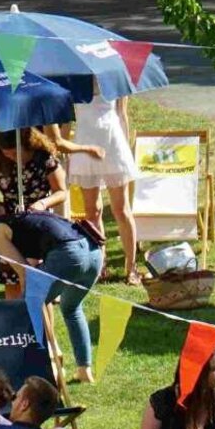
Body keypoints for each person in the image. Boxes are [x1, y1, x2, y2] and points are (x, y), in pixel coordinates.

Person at [0, 198, 104, 384]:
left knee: (26, 311)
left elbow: (24, 271)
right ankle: (84, 370)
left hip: (68, 254)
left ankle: (45, 371)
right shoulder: (24, 219)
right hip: (93, 252)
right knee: (71, 308)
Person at [68, 82, 144, 285]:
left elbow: (122, 114)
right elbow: (67, 118)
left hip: (113, 142)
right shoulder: (74, 78)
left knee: (121, 208)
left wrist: (127, 150)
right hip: (85, 143)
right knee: (91, 211)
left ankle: (131, 266)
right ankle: (100, 264)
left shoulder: (114, 76)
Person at [0, 127, 88, 217]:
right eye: (7, 153)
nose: (11, 157)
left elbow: (61, 192)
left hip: (40, 216)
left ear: (27, 145)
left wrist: (42, 204)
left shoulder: (45, 160)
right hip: (9, 215)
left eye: (15, 153)